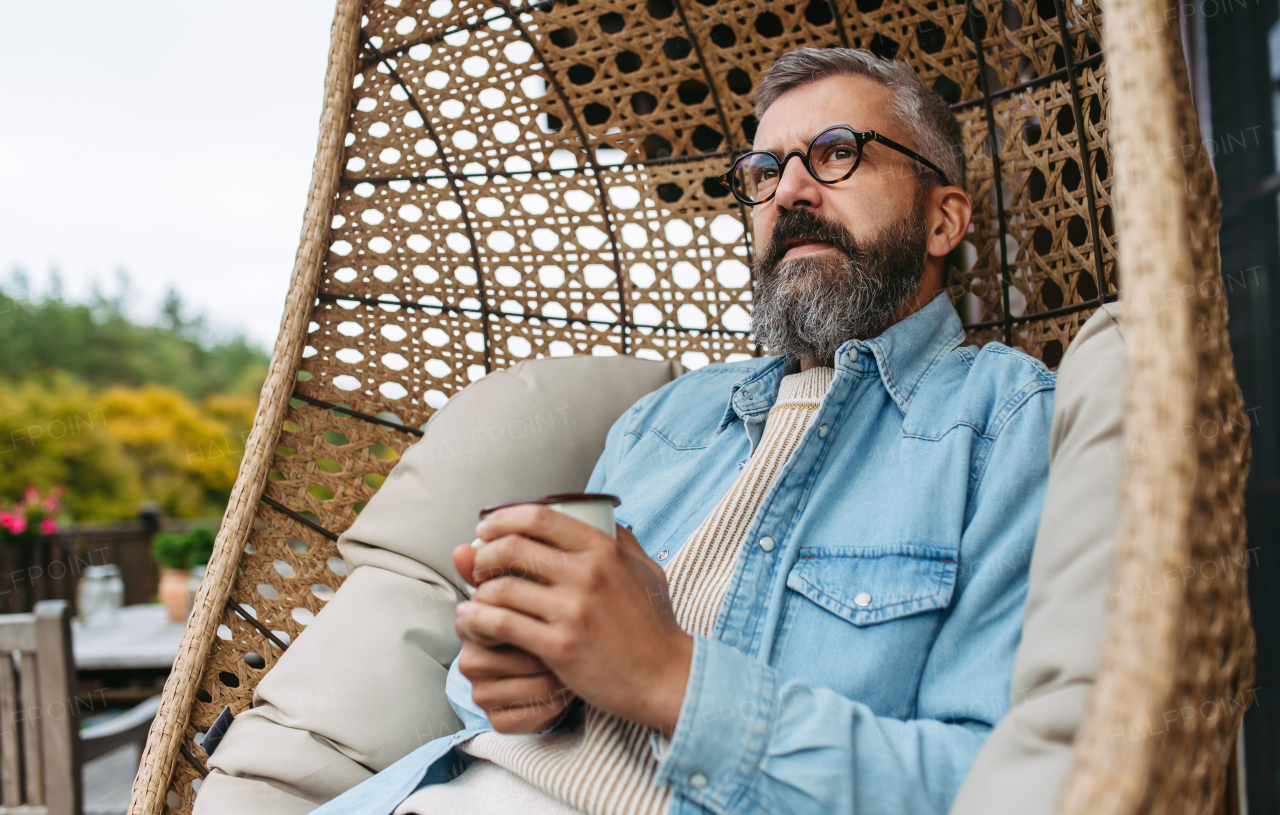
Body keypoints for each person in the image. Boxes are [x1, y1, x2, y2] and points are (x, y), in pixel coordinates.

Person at [307, 46, 1057, 815]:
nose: (789, 191)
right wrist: (517, 678)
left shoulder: (1008, 426)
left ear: (943, 220)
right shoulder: (665, 418)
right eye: (764, 171)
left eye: (837, 153)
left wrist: (675, 680)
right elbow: (487, 699)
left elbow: (1003, 786)